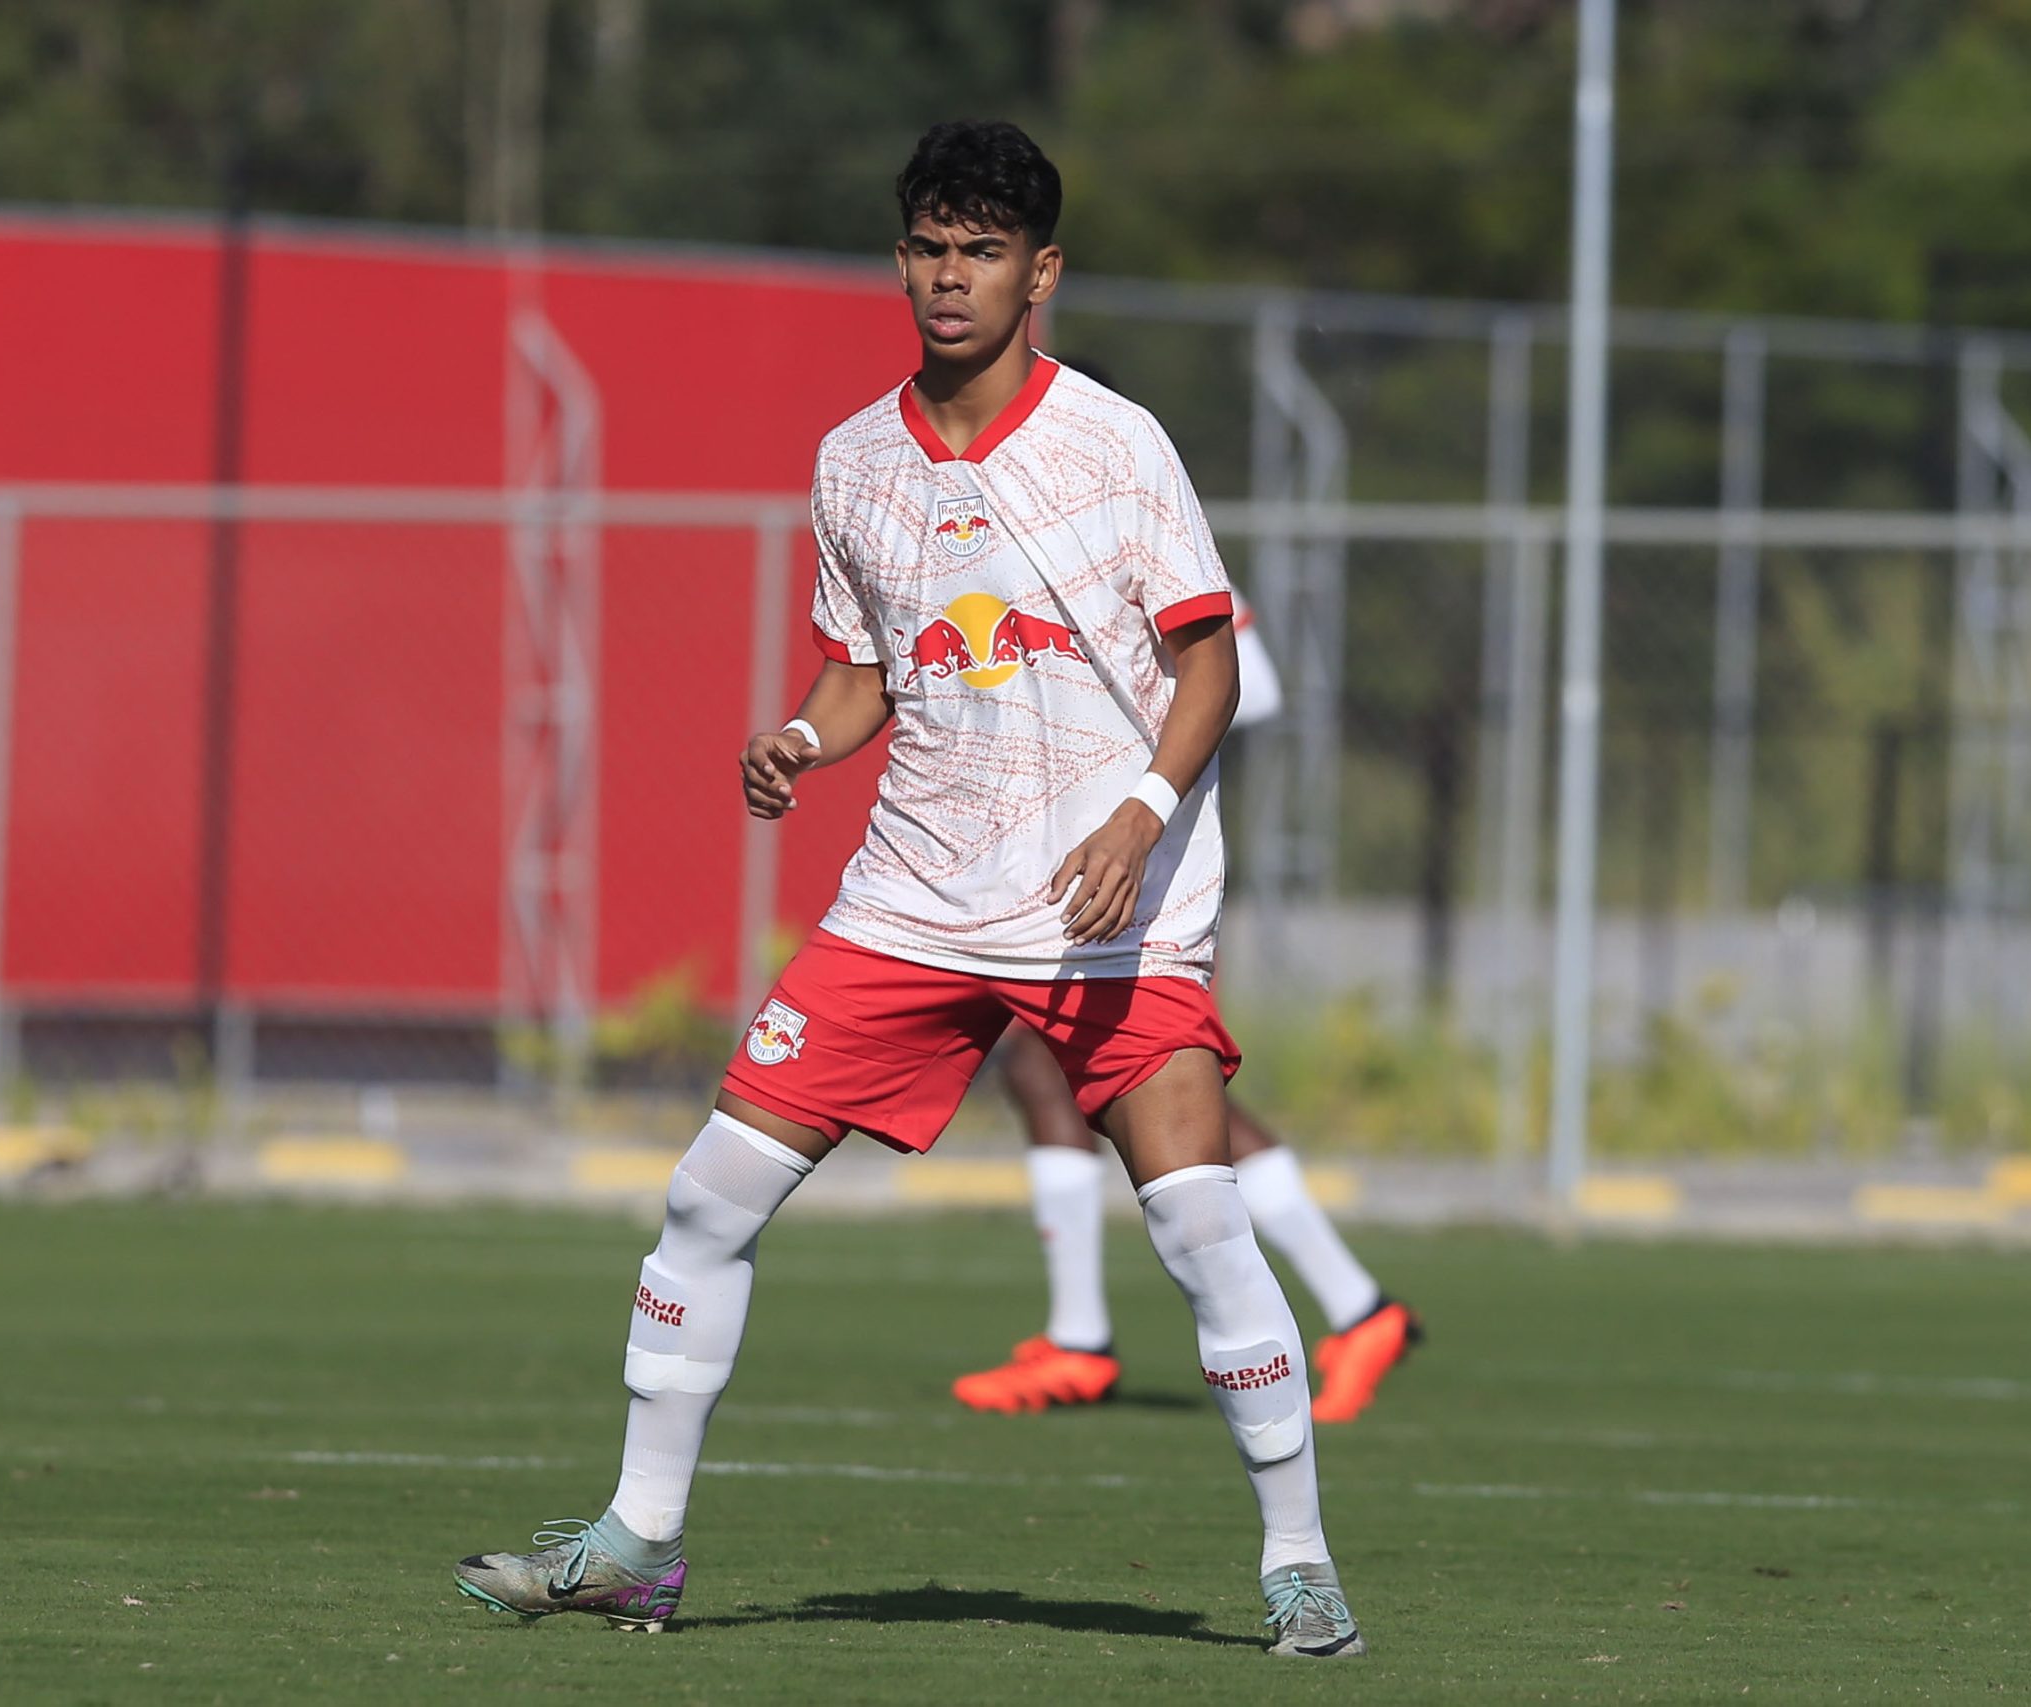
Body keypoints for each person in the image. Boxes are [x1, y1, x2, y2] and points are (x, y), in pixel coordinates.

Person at [454, 120, 1367, 1659]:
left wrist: (1143, 813)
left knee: (1201, 1221)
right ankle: (639, 1540)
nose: (953, 279)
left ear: (1041, 271)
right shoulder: (853, 458)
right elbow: (867, 666)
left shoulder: (1117, 444)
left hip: (1111, 910)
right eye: (931, 249)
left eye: (985, 251)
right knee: (704, 1199)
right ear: (903, 261)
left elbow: (1205, 658)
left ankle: (1301, 1568)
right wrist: (803, 737)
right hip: (915, 899)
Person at [952, 567, 1421, 1425]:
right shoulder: (1029, 530)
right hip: (1074, 850)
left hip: (1148, 863)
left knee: (1133, 1075)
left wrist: (1128, 767)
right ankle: (1352, 1306)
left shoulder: (1139, 528)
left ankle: (1088, 1336)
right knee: (1065, 1068)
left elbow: (1252, 684)